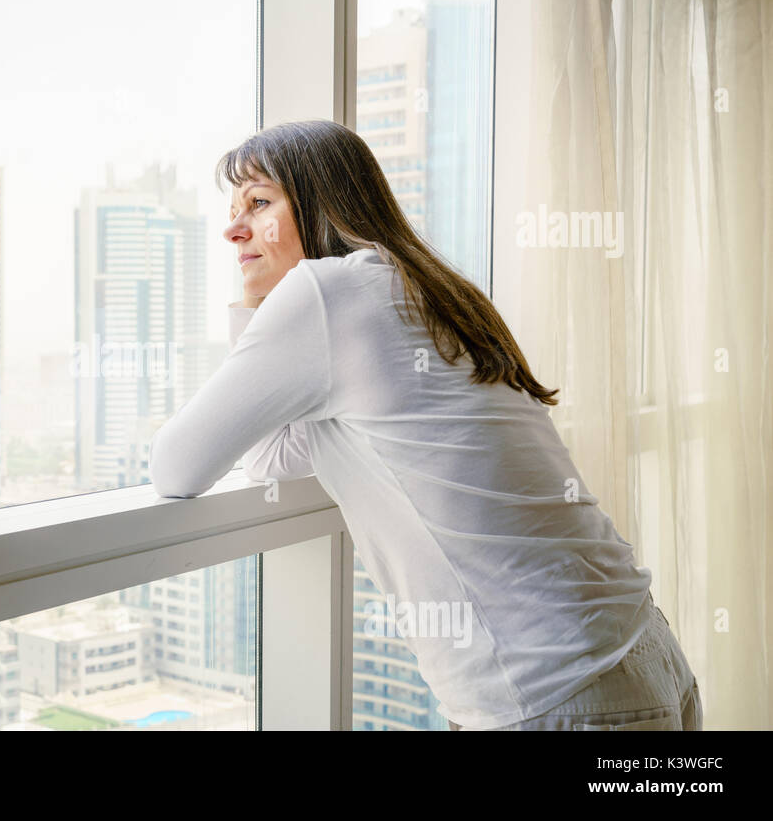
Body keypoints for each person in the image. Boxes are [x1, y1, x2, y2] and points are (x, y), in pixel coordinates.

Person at [148, 119, 701, 731]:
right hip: (642, 656)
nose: (233, 229)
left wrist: (257, 306)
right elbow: (272, 458)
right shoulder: (418, 288)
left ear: (322, 199)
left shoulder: (329, 294)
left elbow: (176, 467)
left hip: (555, 695)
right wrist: (258, 302)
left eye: (258, 203)